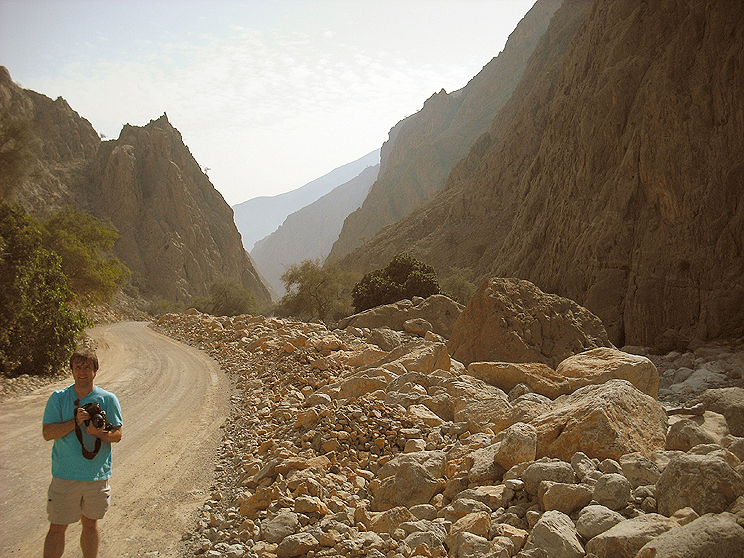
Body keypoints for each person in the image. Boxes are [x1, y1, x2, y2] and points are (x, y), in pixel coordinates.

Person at [42, 347, 123, 558]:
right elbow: (48, 433)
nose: (82, 371)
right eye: (78, 367)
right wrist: (75, 422)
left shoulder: (108, 399)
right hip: (65, 475)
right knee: (57, 526)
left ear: (95, 370)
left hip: (96, 475)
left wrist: (100, 433)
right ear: (71, 370)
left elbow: (117, 434)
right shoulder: (58, 398)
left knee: (90, 524)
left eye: (87, 367)